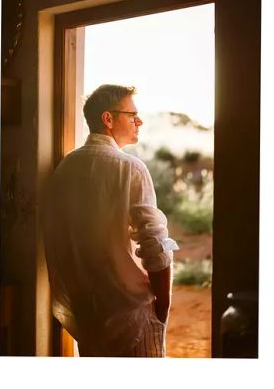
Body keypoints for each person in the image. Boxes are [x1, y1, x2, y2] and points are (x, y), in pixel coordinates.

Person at [42, 84, 178, 357]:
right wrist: (162, 305)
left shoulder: (64, 168)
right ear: (108, 118)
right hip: (132, 317)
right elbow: (154, 244)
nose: (139, 121)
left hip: (88, 315)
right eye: (132, 115)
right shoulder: (130, 168)